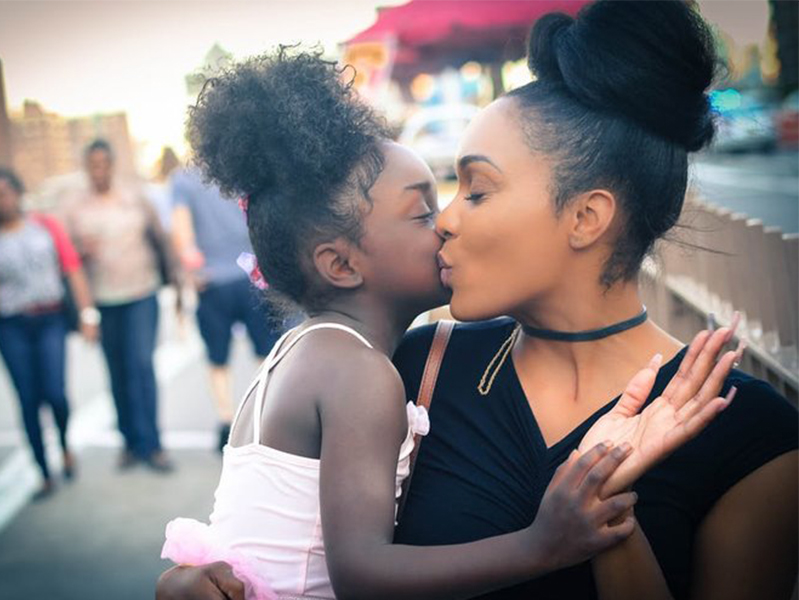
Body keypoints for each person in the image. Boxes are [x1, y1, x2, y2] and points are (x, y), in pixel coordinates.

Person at [160, 2, 797, 599]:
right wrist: (197, 582)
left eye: (476, 190)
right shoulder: (415, 367)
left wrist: (609, 512)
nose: (445, 222)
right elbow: (290, 538)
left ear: (586, 217)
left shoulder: (752, 433)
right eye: (440, 196)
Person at [62, 139, 177, 473]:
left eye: (104, 164)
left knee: (142, 366)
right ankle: (130, 443)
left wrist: (179, 279)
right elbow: (67, 259)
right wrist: (83, 253)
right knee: (118, 372)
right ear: (87, 168)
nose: (99, 170)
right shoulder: (76, 207)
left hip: (141, 293)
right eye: (93, 165)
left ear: (112, 164)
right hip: (104, 301)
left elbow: (161, 237)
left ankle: (153, 444)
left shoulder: (135, 198)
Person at [169, 165, 285, 452]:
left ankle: (226, 420)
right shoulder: (242, 168)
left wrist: (191, 267)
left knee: (218, 360)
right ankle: (266, 418)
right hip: (253, 275)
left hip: (212, 282)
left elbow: (181, 232)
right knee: (266, 355)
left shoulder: (184, 180)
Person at [0, 167, 97, 499]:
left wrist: (87, 314)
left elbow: (72, 268)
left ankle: (65, 445)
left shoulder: (44, 226)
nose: (2, 201)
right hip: (11, 325)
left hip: (50, 319)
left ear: (17, 193)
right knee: (28, 399)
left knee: (55, 393)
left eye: (5, 193)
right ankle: (42, 471)